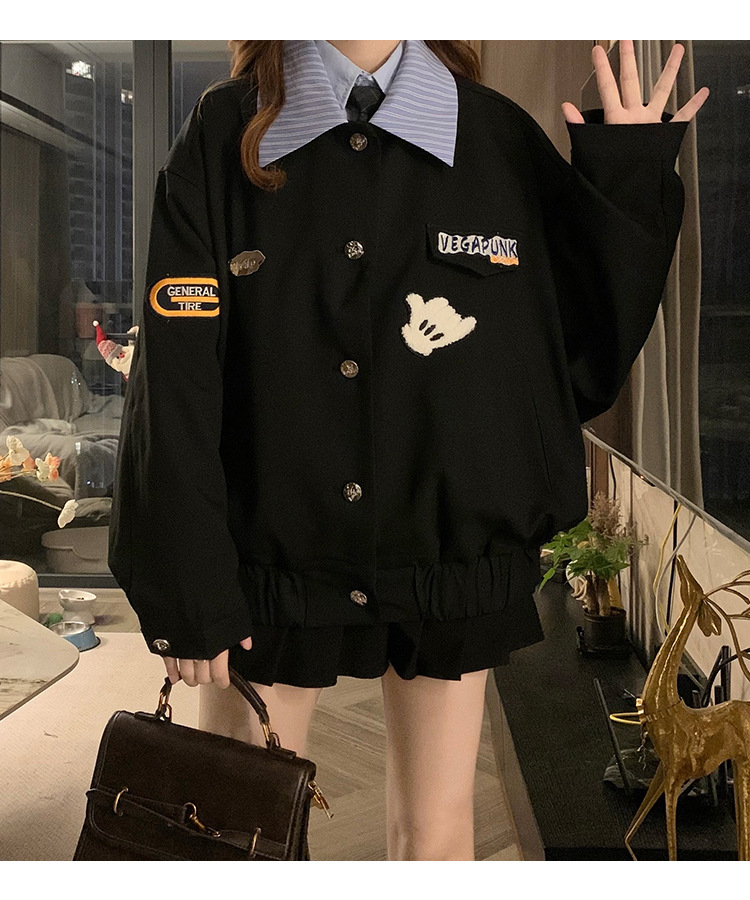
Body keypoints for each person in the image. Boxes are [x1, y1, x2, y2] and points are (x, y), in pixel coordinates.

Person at [108, 39, 708, 860]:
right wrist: (185, 584)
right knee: (236, 829)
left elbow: (581, 354)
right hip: (268, 565)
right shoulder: (225, 130)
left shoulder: (492, 135)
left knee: (437, 835)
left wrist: (628, 174)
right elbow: (175, 377)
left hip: (446, 560)